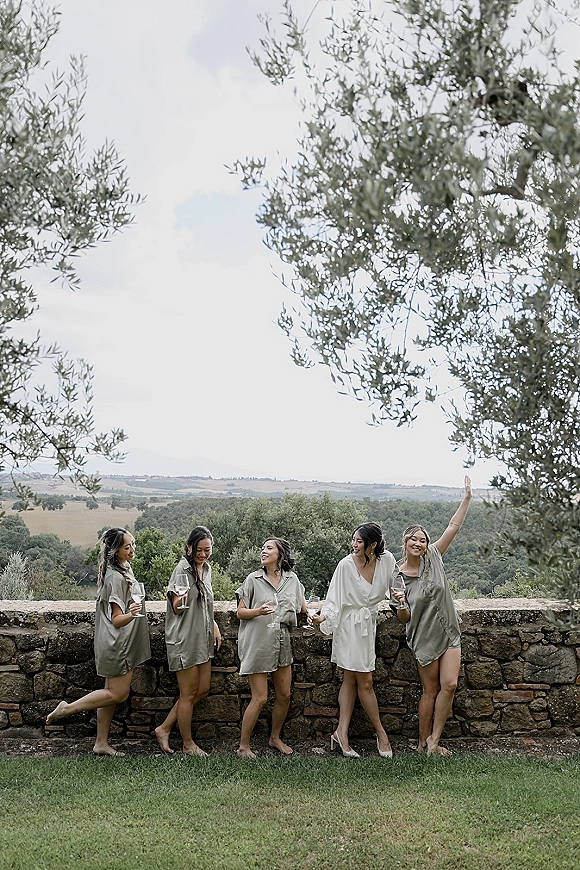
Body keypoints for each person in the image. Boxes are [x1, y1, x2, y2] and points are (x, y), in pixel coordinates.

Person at [45, 527, 150, 756]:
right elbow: (117, 619)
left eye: (133, 544)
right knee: (118, 694)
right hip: (117, 643)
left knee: (109, 692)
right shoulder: (115, 577)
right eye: (127, 546)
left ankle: (101, 743)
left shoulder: (122, 568)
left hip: (117, 642)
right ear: (116, 551)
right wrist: (133, 613)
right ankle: (67, 708)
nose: (132, 549)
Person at [391, 476, 472, 756]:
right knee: (430, 689)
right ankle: (422, 741)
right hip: (423, 636)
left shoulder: (435, 556)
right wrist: (401, 604)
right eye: (414, 539)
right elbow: (403, 618)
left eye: (423, 540)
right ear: (405, 542)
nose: (419, 543)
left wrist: (467, 498)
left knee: (449, 684)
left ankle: (435, 741)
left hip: (449, 630)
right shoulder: (397, 576)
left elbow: (453, 527)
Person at [311, 523, 396, 758]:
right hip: (349, 626)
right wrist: (322, 618)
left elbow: (396, 586)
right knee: (365, 681)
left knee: (350, 679)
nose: (354, 545)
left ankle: (341, 733)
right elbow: (333, 600)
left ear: (373, 545)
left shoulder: (387, 560)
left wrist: (400, 596)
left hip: (368, 623)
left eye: (359, 541)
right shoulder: (345, 565)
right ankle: (381, 734)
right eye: (354, 540)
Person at [235, 538, 307, 758]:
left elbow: (303, 607)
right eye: (262, 548)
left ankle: (275, 738)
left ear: (281, 554)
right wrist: (258, 611)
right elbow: (240, 612)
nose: (263, 551)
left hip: (282, 643)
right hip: (258, 643)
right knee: (261, 698)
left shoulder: (292, 580)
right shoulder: (253, 579)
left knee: (284, 695)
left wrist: (320, 614)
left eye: (269, 548)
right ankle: (243, 747)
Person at [154, 526, 222, 757]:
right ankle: (187, 744)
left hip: (202, 638)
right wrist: (179, 601)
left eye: (207, 549)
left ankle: (164, 728)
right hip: (184, 639)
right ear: (189, 547)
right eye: (199, 550)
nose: (202, 554)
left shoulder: (207, 569)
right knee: (188, 693)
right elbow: (176, 607)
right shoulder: (182, 570)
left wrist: (213, 624)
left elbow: (204, 604)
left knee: (202, 689)